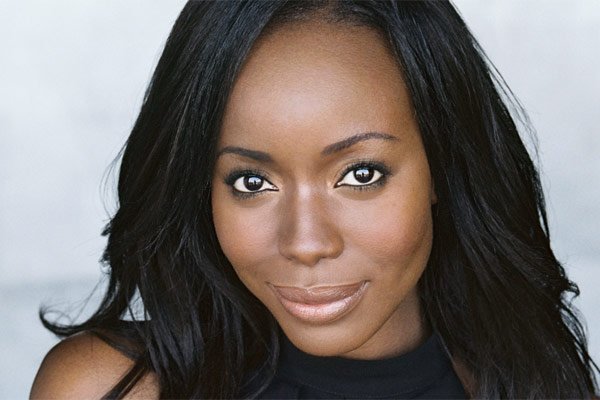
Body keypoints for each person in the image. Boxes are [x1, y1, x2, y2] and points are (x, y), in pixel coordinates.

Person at [30, 1, 599, 399]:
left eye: (361, 174)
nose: (305, 243)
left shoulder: (536, 387)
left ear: (442, 171)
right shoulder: (108, 388)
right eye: (251, 182)